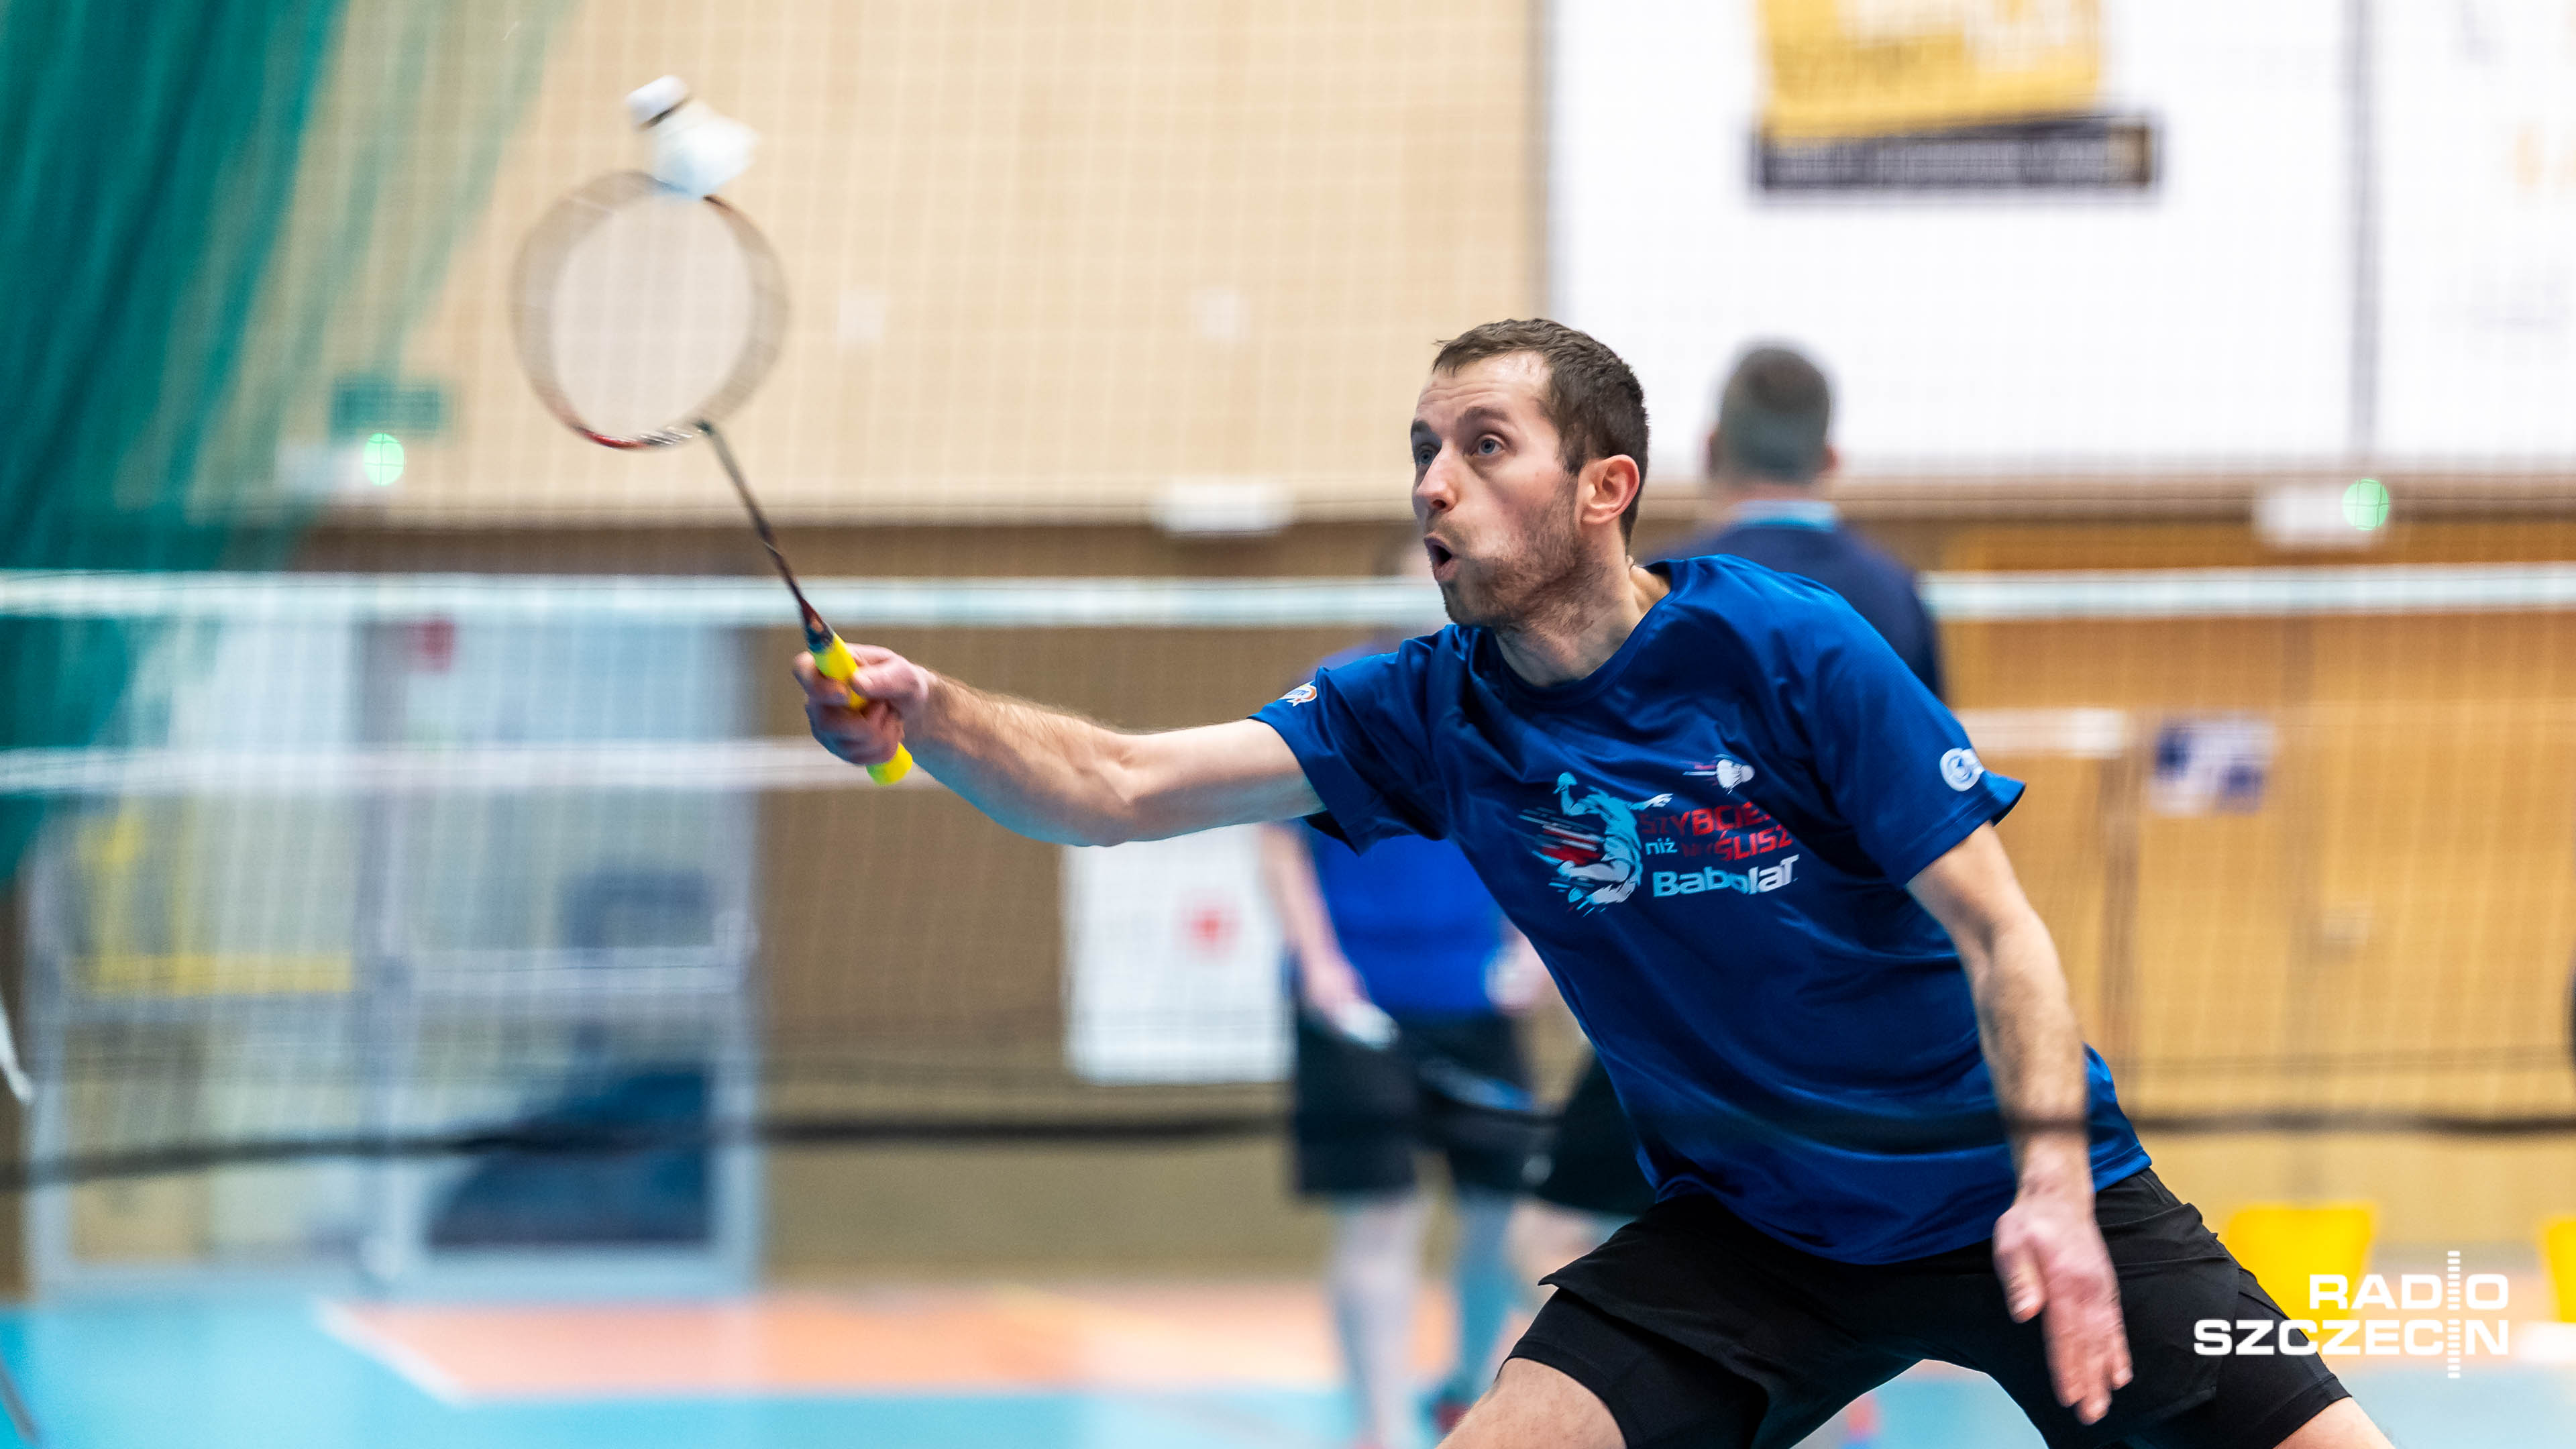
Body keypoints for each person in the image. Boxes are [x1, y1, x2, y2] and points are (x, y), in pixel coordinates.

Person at [796, 319, 2390, 1449]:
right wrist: (931, 713)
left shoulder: (1786, 649)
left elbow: (2004, 935)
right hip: (1756, 1235)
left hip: (2017, 1200)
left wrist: (2049, 1185)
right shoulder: (1426, 708)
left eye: (1483, 448)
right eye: (1423, 453)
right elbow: (1118, 788)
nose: (1434, 485)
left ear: (1604, 487)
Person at [1513, 340, 1946, 1344]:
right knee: (1817, 1255)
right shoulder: (1893, 594)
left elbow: (1600, 786)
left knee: (1552, 1232)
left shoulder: (1661, 589)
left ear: (1709, 448)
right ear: (1830, 459)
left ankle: (1674, 1391)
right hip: (1852, 1008)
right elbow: (1930, 807)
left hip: (1689, 999)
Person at [1258, 560, 1548, 1448]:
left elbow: (1538, 833)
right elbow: (1278, 839)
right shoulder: (1332, 694)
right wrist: (1318, 965)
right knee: (1381, 1218)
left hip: (1475, 1001)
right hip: (1356, 1010)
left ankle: (1464, 1386)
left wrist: (1533, 949)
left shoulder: (1510, 699)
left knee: (1503, 1220)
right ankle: (1378, 1431)